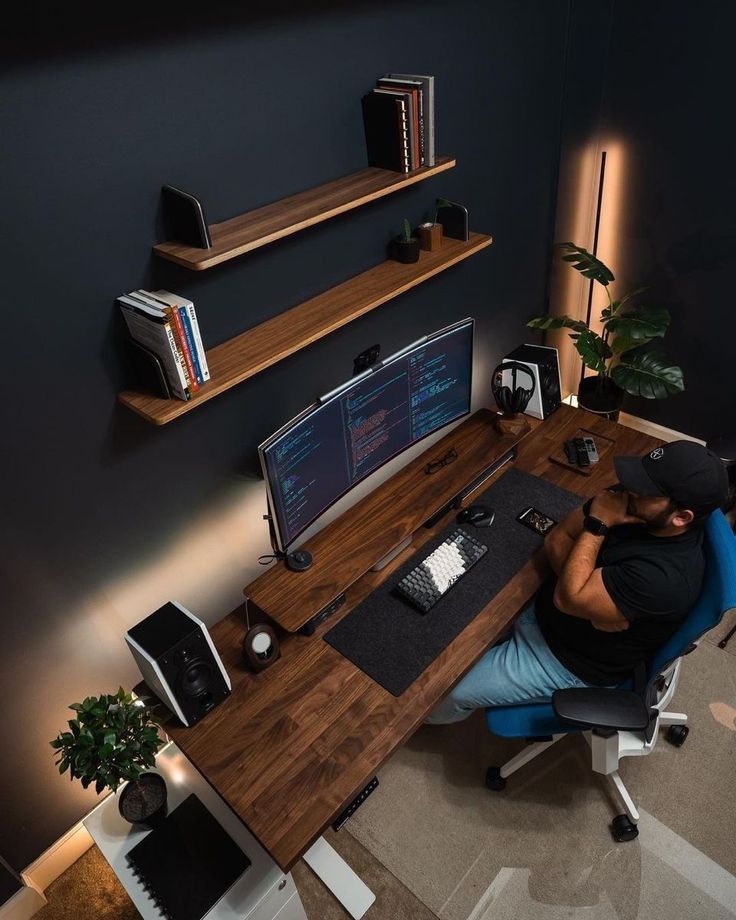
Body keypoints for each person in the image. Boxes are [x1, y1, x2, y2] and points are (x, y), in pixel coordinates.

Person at [426, 440, 729, 724]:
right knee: (443, 619)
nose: (630, 488)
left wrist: (597, 528)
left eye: (646, 490)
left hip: (567, 661)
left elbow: (568, 594)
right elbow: (558, 538)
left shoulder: (664, 578)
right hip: (547, 608)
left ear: (681, 517)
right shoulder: (632, 500)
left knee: (444, 692)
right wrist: (576, 592)